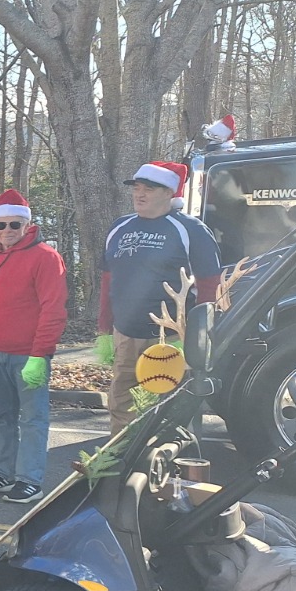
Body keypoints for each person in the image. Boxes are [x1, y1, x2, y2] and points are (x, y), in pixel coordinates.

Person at [0, 189, 68, 505]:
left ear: (26, 225)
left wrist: (40, 353)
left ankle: (29, 479)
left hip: (29, 355)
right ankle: (2, 473)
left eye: (14, 225)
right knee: (2, 416)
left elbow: (54, 309)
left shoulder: (46, 257)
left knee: (33, 418)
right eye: (0, 225)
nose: (6, 231)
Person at [98, 160, 221, 433]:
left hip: (170, 337)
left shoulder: (190, 230)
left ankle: (170, 465)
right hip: (126, 334)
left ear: (169, 193)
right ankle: (121, 464)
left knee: (170, 408)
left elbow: (210, 287)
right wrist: (105, 330)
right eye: (137, 188)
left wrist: (198, 340)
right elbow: (108, 280)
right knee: (121, 403)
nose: (140, 194)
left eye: (150, 189)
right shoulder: (119, 228)